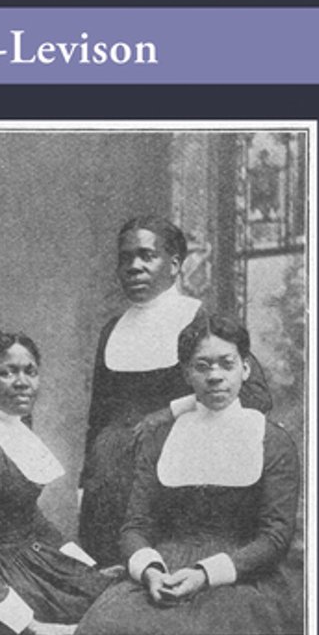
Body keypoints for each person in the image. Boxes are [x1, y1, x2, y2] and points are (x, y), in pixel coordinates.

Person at [77, 314, 302, 635]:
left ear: (245, 369)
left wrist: (203, 574)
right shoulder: (160, 439)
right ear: (186, 373)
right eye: (202, 366)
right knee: (105, 626)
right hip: (165, 569)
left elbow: (275, 536)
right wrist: (151, 571)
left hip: (240, 573)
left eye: (227, 364)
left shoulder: (272, 440)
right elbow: (135, 526)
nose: (215, 376)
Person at [78, 216, 272, 566]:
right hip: (109, 482)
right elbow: (99, 415)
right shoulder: (112, 330)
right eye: (125, 258)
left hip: (171, 473)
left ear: (174, 264)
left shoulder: (199, 320)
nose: (134, 266)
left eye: (146, 255)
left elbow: (255, 394)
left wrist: (171, 410)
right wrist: (85, 482)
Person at [0, 333, 113, 635]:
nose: (22, 382)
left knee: (117, 602)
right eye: (7, 373)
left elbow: (28, 516)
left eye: (30, 371)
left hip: (29, 563)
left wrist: (85, 567)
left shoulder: (13, 428)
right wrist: (28, 624)